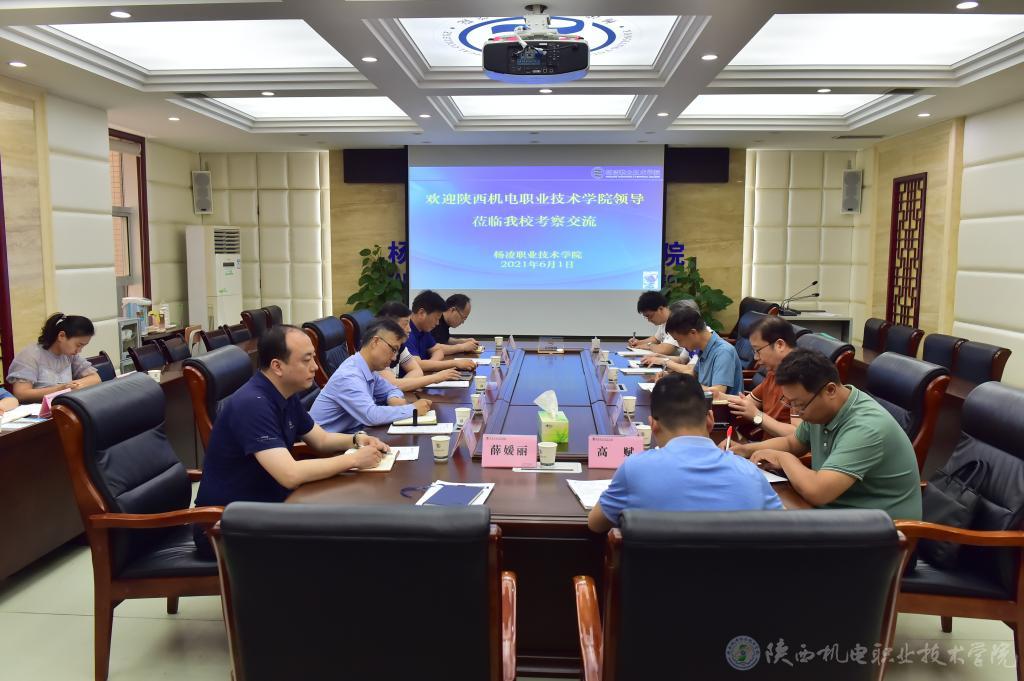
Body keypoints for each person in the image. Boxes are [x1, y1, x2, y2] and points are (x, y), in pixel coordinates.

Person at [193, 325, 390, 556]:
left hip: (267, 507)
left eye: (314, 357)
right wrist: (354, 460)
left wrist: (357, 440)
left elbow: (321, 439)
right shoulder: (252, 405)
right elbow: (290, 474)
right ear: (277, 366)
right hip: (226, 526)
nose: (314, 366)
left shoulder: (285, 393)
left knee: (355, 516)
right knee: (347, 536)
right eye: (306, 360)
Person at [733, 349, 922, 520]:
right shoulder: (822, 410)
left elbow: (818, 492)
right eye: (791, 403)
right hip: (839, 514)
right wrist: (745, 450)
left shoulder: (867, 427)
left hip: (882, 532)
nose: (796, 412)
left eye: (799, 404)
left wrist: (784, 459)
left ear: (830, 390)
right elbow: (793, 442)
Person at [588, 373, 783, 533]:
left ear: (653, 425)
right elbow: (784, 531)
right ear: (710, 419)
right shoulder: (750, 474)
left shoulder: (635, 470)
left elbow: (596, 525)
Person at [310, 317, 432, 433]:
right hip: (326, 444)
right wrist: (413, 409)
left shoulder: (368, 370)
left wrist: (393, 398)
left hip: (353, 433)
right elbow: (372, 416)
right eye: (393, 349)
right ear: (375, 342)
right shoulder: (349, 376)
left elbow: (392, 389)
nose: (394, 357)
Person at [722, 315, 799, 439]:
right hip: (765, 446)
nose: (756, 358)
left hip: (780, 450)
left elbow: (798, 436)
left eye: (757, 350)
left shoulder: (802, 378)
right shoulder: (774, 372)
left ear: (780, 345)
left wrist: (757, 416)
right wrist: (718, 397)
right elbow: (747, 403)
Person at [6, 313, 100, 402]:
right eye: (78, 345)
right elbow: (21, 394)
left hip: (64, 406)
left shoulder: (69, 355)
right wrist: (61, 389)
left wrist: (74, 385)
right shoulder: (30, 355)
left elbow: (95, 378)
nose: (79, 350)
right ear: (61, 336)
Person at [377, 301, 462, 391]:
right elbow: (392, 385)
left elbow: (417, 370)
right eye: (405, 324)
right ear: (388, 325)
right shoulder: (379, 348)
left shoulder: (400, 346)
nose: (409, 329)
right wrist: (435, 378)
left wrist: (403, 386)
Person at [663, 306, 743, 396]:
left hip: (717, 404)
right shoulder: (704, 348)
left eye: (678, 340)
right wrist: (669, 378)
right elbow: (694, 374)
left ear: (693, 333)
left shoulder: (723, 352)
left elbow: (717, 393)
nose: (680, 345)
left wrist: (682, 385)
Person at [405, 290, 478, 373]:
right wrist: (455, 363)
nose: (437, 323)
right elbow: (417, 365)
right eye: (436, 318)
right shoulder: (406, 331)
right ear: (421, 313)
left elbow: (438, 350)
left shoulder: (424, 329)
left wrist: (430, 365)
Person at [627, 292, 681, 357]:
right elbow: (656, 339)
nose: (649, 320)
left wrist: (648, 346)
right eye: (646, 317)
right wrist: (638, 342)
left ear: (660, 309)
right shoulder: (664, 321)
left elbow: (665, 349)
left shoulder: (676, 320)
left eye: (650, 316)